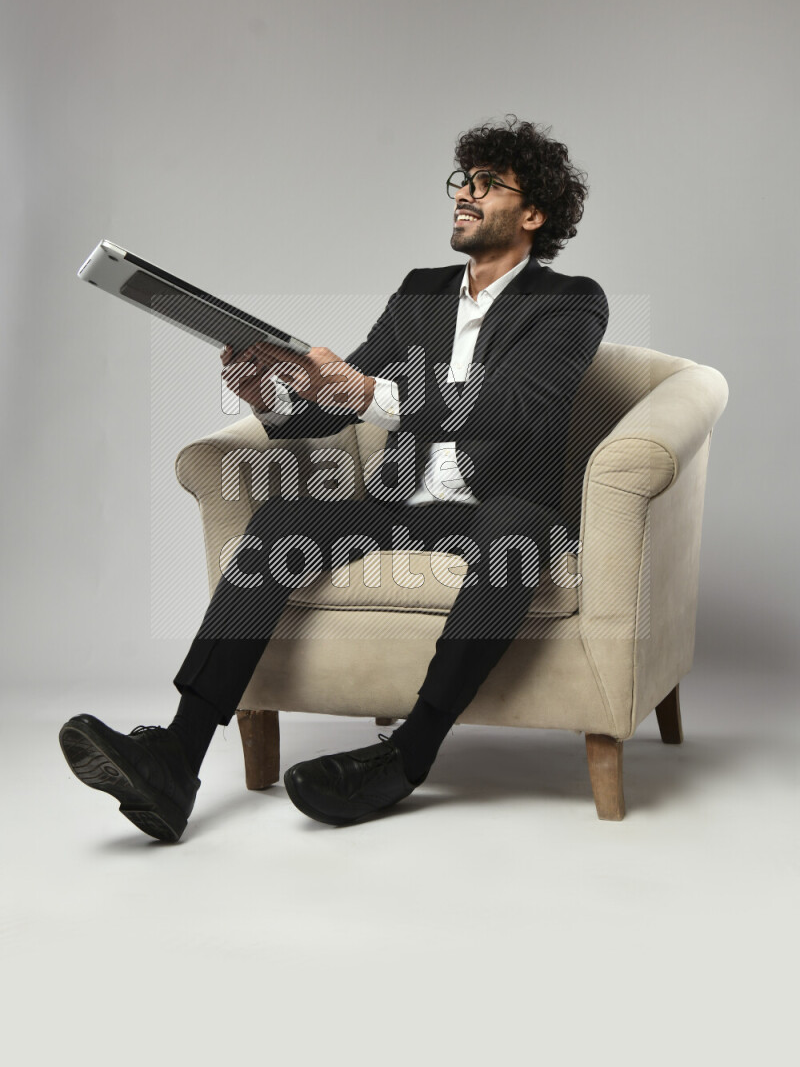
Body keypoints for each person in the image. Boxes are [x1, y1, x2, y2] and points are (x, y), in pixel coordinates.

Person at [59, 115, 609, 841]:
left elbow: (512, 407)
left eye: (486, 186)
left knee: (514, 533)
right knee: (284, 519)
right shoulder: (422, 292)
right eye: (461, 182)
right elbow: (340, 398)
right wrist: (275, 398)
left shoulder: (571, 302)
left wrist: (365, 392)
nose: (463, 197)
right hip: (406, 502)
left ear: (532, 213)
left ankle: (406, 756)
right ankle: (175, 757)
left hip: (501, 506)